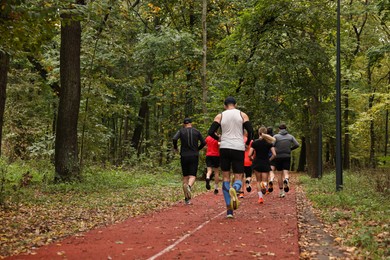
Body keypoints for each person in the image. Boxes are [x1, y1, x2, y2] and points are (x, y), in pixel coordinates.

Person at [207, 97, 254, 218]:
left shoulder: (220, 116)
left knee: (226, 177)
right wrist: (247, 142)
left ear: (224, 106)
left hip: (225, 147)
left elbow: (210, 131)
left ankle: (229, 210)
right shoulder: (242, 115)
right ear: (236, 104)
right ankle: (236, 188)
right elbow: (251, 130)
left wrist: (219, 138)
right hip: (238, 147)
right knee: (239, 176)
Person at [173, 118, 206, 204]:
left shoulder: (181, 131)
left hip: (184, 155)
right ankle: (189, 186)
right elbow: (203, 142)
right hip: (194, 155)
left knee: (185, 177)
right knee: (192, 176)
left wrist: (175, 147)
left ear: (184, 124)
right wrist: (197, 149)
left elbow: (174, 138)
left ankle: (187, 199)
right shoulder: (196, 131)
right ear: (191, 123)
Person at [249, 126, 276, 204]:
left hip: (257, 162)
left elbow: (249, 154)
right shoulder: (269, 143)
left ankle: (260, 198)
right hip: (265, 162)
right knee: (264, 181)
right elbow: (274, 154)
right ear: (266, 133)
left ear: (259, 133)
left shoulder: (254, 142)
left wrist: (252, 159)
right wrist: (269, 160)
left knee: (258, 181)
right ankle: (264, 186)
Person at [273, 124, 300, 198]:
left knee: (279, 174)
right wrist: (290, 149)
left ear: (279, 129)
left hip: (278, 157)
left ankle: (281, 192)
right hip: (287, 156)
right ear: (286, 128)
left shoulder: (275, 137)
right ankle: (286, 179)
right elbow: (297, 144)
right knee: (286, 172)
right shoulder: (290, 136)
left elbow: (271, 145)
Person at [238, 130, 253, 198]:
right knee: (248, 175)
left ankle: (241, 193)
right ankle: (248, 181)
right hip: (248, 160)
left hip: (240, 160)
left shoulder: (238, 140)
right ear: (246, 134)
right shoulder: (251, 141)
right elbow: (254, 150)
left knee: (241, 177)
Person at [267, 127, 276, 192]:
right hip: (272, 156)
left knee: (266, 173)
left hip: (266, 157)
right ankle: (271, 179)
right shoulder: (274, 138)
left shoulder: (265, 138)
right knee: (271, 171)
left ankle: (267, 186)